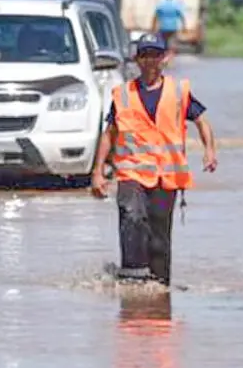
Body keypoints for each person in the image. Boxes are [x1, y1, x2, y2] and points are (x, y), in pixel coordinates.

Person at [91, 33, 218, 286]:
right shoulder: (123, 94)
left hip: (166, 176)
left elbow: (202, 120)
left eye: (155, 55)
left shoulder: (178, 92)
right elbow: (110, 133)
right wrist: (97, 172)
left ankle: (159, 292)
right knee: (132, 215)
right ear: (137, 60)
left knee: (159, 239)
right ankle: (132, 278)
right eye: (145, 55)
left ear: (165, 58)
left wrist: (209, 150)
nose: (150, 61)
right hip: (131, 173)